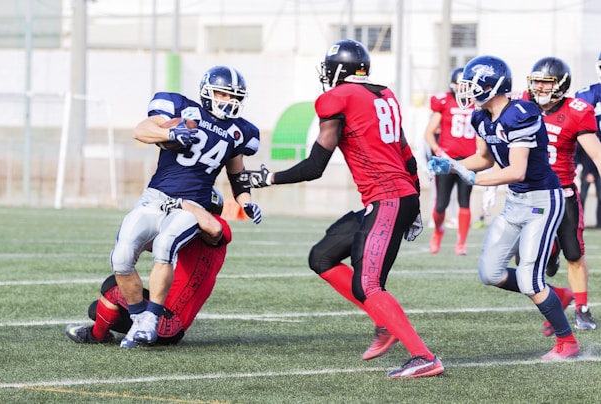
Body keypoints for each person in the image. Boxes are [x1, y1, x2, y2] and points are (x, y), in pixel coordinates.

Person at [237, 39, 444, 379]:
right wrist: (416, 204)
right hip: (396, 196)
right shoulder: (384, 95)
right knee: (322, 257)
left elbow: (315, 165)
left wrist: (268, 177)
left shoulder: (337, 98)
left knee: (369, 285)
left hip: (388, 198)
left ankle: (423, 356)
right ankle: (384, 322)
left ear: (338, 71)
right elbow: (405, 152)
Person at [428, 55, 580, 359]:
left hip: (542, 200)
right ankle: (559, 295)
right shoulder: (480, 117)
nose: (466, 91)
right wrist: (452, 165)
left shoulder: (520, 113)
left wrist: (474, 179)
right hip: (516, 201)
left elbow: (516, 170)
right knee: (490, 272)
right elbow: (484, 158)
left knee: (529, 280)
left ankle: (567, 342)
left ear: (491, 85)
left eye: (472, 85)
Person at [111, 65, 262, 348]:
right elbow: (141, 130)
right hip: (155, 198)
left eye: (233, 97)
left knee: (165, 246)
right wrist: (171, 135)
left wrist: (247, 201)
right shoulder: (182, 108)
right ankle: (139, 319)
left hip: (192, 205)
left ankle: (152, 320)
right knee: (121, 257)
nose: (228, 101)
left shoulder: (239, 132)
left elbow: (236, 175)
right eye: (222, 94)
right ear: (207, 91)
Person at [66, 189, 231, 345]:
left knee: (113, 287)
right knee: (97, 310)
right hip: (168, 322)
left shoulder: (217, 226)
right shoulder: (192, 232)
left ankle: (96, 336)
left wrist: (184, 204)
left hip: (168, 322)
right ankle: (106, 332)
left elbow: (214, 230)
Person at [522, 57, 599, 331]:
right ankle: (556, 290)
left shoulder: (577, 111)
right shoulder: (522, 104)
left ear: (561, 85)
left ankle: (582, 308)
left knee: (575, 254)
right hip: (531, 194)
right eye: (536, 82)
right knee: (524, 259)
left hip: (563, 192)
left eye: (546, 82)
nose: (539, 88)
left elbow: (596, 153)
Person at [424, 67, 477, 255]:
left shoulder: (478, 104)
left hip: (469, 161)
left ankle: (461, 243)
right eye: (460, 85)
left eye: (467, 86)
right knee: (441, 204)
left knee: (465, 202)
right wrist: (438, 150)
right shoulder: (444, 101)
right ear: (452, 85)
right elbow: (429, 133)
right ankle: (438, 232)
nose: (463, 90)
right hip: (446, 161)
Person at [575, 52, 601, 229]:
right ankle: (578, 223)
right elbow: (576, 137)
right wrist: (580, 165)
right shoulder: (587, 95)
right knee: (579, 196)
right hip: (588, 160)